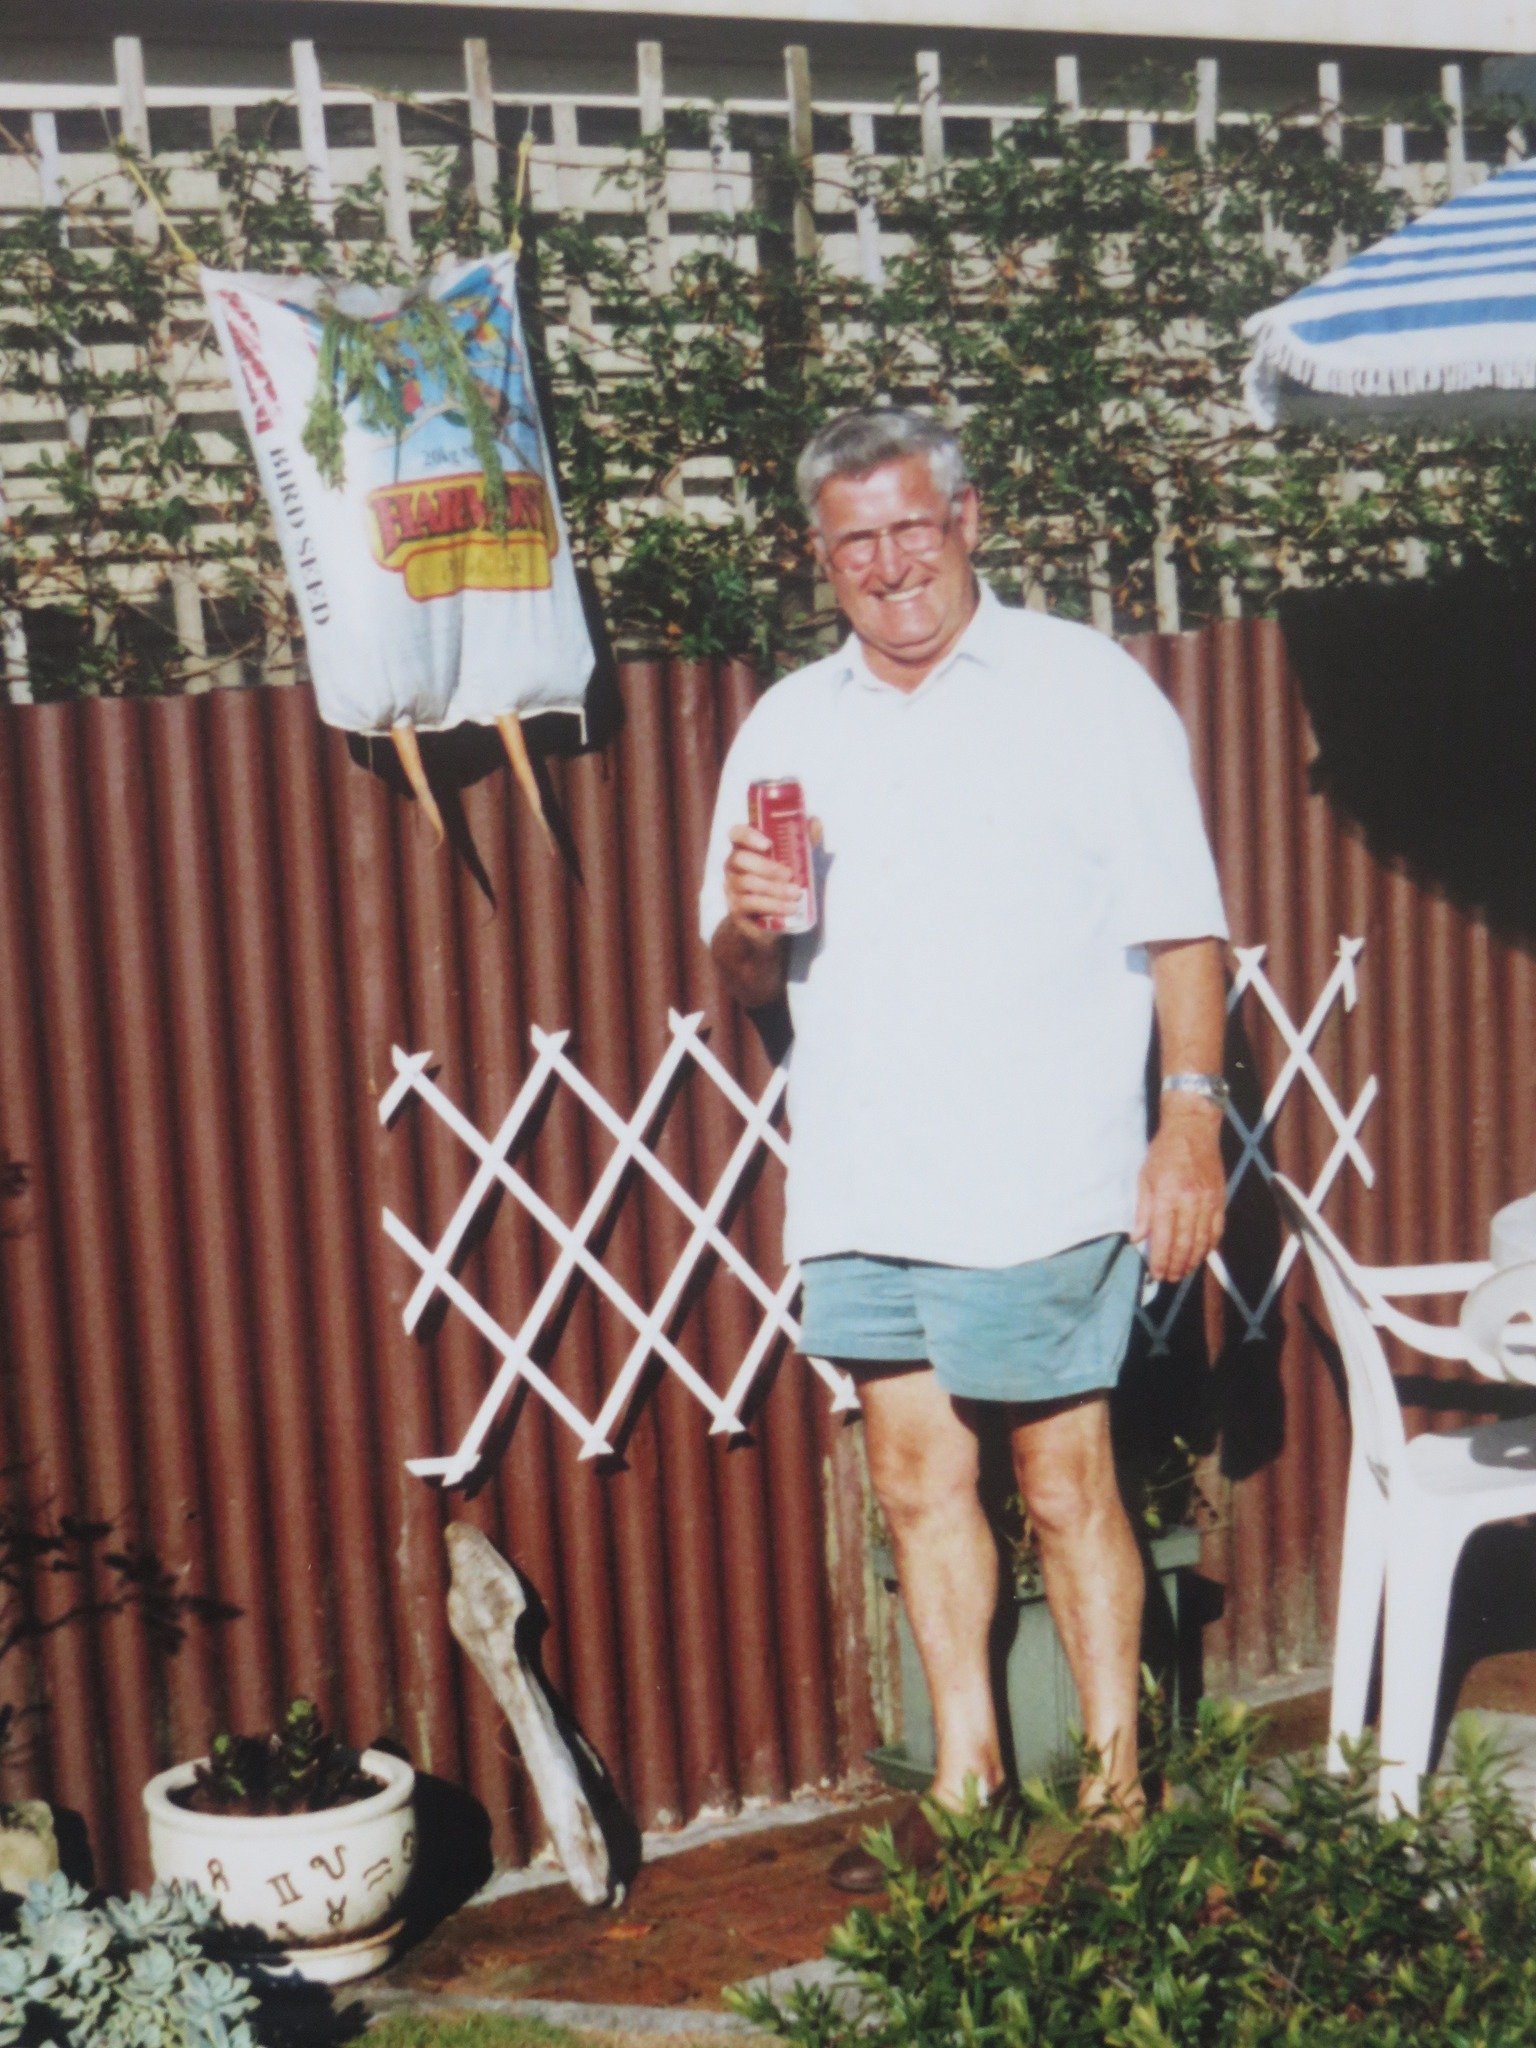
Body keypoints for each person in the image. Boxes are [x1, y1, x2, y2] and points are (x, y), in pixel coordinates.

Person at [698, 409, 1228, 1891]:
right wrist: (746, 929)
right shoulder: (789, 724)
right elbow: (741, 988)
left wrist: (1190, 1118)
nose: (889, 563)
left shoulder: (1085, 687)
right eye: (855, 539)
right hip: (868, 1173)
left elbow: (1184, 923)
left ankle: (1120, 1796)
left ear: (969, 521)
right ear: (821, 558)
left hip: (1046, 1167)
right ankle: (969, 1782)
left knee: (1066, 1482)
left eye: (912, 526)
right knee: (918, 1482)